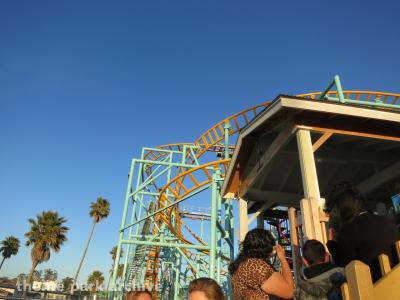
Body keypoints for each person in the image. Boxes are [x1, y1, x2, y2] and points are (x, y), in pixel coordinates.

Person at [325, 181, 400, 282]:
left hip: (377, 289)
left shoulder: (348, 232)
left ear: (340, 210)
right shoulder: (385, 221)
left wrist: (332, 244)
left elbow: (347, 269)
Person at [229, 228, 294, 300]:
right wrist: (282, 258)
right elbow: (289, 292)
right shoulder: (257, 267)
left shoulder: (241, 264)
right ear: (265, 248)